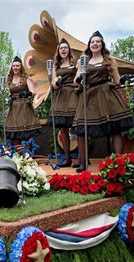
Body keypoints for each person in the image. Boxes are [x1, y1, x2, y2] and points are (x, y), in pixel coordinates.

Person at [73, 31, 134, 172]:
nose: (95, 44)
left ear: (102, 44)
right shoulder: (82, 60)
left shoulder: (109, 59)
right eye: (92, 42)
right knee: (81, 129)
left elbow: (117, 79)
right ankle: (83, 162)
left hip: (106, 94)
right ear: (89, 45)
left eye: (98, 42)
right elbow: (76, 81)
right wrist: (79, 78)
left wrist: (123, 81)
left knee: (115, 127)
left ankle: (117, 160)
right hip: (88, 95)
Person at [50, 38, 79, 167]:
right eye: (61, 48)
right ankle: (67, 158)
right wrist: (57, 82)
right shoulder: (55, 66)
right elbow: (53, 84)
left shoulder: (76, 62)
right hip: (61, 97)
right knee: (63, 129)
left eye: (65, 48)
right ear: (58, 51)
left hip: (74, 94)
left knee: (78, 126)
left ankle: (82, 157)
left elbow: (80, 76)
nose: (63, 50)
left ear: (69, 49)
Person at [4, 56, 41, 146]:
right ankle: (18, 156)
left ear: (21, 67)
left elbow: (33, 92)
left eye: (17, 66)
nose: (15, 68)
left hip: (24, 107)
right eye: (13, 66)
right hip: (14, 108)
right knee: (15, 133)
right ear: (11, 68)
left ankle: (27, 155)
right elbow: (8, 93)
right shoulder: (9, 80)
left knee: (25, 133)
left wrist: (26, 93)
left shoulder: (26, 78)